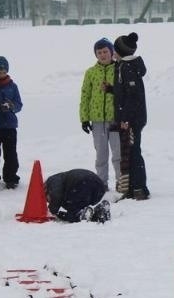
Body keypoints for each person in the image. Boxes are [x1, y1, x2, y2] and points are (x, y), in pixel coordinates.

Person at [79, 37, 120, 192]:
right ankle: (101, 183)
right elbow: (85, 95)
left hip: (115, 119)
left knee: (118, 153)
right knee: (101, 155)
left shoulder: (118, 69)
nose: (102, 55)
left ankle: (120, 181)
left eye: (105, 51)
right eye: (99, 52)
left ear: (111, 52)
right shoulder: (91, 73)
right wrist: (84, 118)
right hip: (97, 121)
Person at [112, 32, 149, 200]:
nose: (113, 52)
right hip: (131, 117)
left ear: (121, 52)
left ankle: (139, 187)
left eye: (115, 49)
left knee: (133, 152)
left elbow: (132, 96)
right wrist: (111, 89)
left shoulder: (127, 67)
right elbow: (125, 91)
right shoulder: (124, 66)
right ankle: (133, 187)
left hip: (132, 119)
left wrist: (126, 118)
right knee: (129, 151)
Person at [0, 56, 23, 190]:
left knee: (11, 154)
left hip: (9, 126)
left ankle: (11, 177)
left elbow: (19, 105)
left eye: (3, 72)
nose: (0, 75)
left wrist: (11, 106)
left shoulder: (13, 86)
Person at [44, 169, 111, 223]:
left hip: (82, 182)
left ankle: (82, 214)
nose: (49, 202)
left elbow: (56, 196)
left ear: (46, 190)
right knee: (79, 209)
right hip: (99, 185)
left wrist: (51, 212)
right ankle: (100, 211)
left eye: (47, 199)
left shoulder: (52, 182)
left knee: (73, 214)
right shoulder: (60, 180)